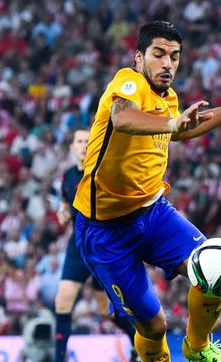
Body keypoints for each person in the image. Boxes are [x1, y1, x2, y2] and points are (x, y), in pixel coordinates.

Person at [72, 21, 221, 362]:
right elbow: (124, 119)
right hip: (105, 231)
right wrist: (172, 123)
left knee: (218, 266)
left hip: (154, 213)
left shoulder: (168, 97)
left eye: (174, 56)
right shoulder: (128, 82)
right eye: (158, 55)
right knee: (154, 327)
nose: (167, 64)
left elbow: (179, 132)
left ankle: (198, 347)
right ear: (139, 57)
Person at [54, 128, 138, 362]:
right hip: (77, 247)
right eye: (78, 141)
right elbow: (64, 200)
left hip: (103, 247)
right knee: (62, 301)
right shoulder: (68, 176)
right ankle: (59, 358)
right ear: (72, 147)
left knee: (106, 310)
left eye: (87, 141)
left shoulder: (102, 172)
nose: (83, 145)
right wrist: (62, 211)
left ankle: (139, 344)